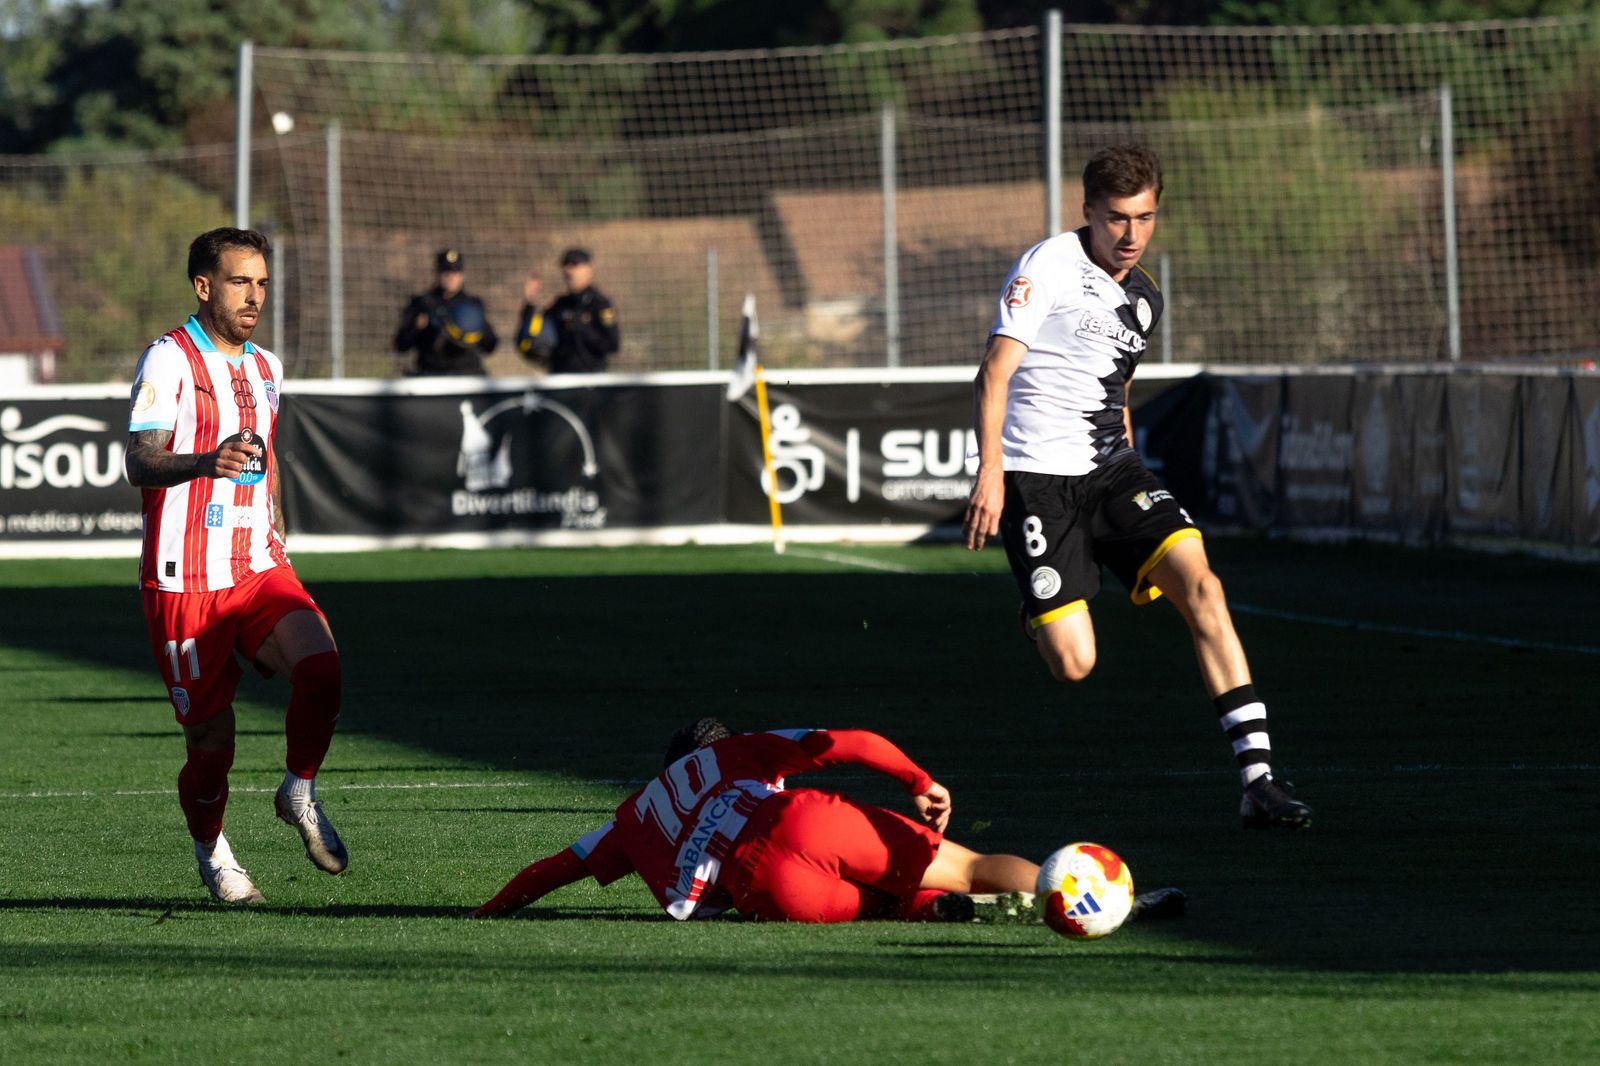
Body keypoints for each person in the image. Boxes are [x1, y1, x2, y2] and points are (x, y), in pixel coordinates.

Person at [962, 144, 1313, 831]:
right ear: (1088, 210)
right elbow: (993, 373)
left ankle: (1259, 780)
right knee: (1074, 664)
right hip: (1038, 482)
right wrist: (990, 471)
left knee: (1205, 588)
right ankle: (1041, 595)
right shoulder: (1046, 267)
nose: (1131, 235)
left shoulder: (1144, 296)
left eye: (1145, 218)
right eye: (1117, 218)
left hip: (1114, 472)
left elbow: (1116, 386)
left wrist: (1131, 463)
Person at [125, 226, 348, 904]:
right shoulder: (169, 360)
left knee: (322, 667)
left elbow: (264, 451)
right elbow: (139, 460)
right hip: (185, 578)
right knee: (211, 744)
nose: (254, 296)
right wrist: (203, 461)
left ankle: (298, 792)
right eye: (239, 281)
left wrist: (273, 514)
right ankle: (212, 849)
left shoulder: (266, 367)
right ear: (203, 286)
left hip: (255, 563)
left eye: (261, 283)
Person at [474, 719, 1042, 923]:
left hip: (763, 894)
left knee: (892, 908)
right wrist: (919, 781)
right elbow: (851, 742)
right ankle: (1065, 890)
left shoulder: (637, 813)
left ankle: (937, 910)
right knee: (970, 866)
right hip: (795, 822)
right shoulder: (740, 751)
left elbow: (553, 870)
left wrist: (485, 913)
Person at [393, 248, 498, 375]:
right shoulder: (422, 303)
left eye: (456, 271)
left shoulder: (473, 305)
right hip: (432, 374)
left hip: (467, 373)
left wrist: (477, 328)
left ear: (462, 275)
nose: (451, 277)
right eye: (446, 271)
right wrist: (416, 327)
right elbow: (400, 345)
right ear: (438, 273)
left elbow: (490, 346)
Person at [515, 247, 619, 374]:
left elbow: (612, 344)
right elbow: (533, 330)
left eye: (574, 264)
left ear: (589, 270)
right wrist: (530, 302)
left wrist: (580, 327)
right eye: (566, 265)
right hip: (560, 377)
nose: (568, 271)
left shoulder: (599, 304)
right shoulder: (560, 304)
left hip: (591, 379)